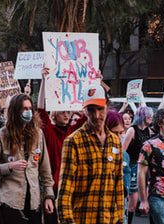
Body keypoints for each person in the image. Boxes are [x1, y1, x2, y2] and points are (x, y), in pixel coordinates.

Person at [58, 83, 124, 224]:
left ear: (107, 106)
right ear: (84, 110)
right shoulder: (73, 141)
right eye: (91, 110)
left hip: (109, 218)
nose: (96, 115)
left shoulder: (115, 141)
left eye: (100, 109)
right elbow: (66, 187)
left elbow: (118, 182)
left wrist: (119, 218)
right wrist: (67, 220)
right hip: (82, 218)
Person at [0, 93, 55, 224]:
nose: (28, 112)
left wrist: (48, 196)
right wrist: (9, 167)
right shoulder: (0, 136)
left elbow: (45, 169)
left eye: (30, 109)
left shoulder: (38, 134)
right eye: (24, 109)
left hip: (34, 202)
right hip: (11, 202)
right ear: (15, 111)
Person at [38, 67, 86, 224]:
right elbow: (40, 110)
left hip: (72, 187)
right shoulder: (50, 131)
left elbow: (88, 118)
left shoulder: (73, 131)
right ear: (54, 114)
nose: (66, 114)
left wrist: (96, 82)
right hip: (54, 187)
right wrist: (44, 81)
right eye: (62, 112)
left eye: (68, 111)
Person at [122, 106, 154, 223]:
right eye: (148, 115)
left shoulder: (148, 131)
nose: (151, 118)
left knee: (135, 202)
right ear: (143, 116)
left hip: (144, 167)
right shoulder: (132, 130)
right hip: (132, 166)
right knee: (131, 201)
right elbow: (123, 151)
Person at [105, 109, 131, 223]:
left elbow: (126, 178)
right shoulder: (96, 152)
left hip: (119, 207)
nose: (118, 137)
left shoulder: (124, 154)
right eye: (115, 133)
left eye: (121, 133)